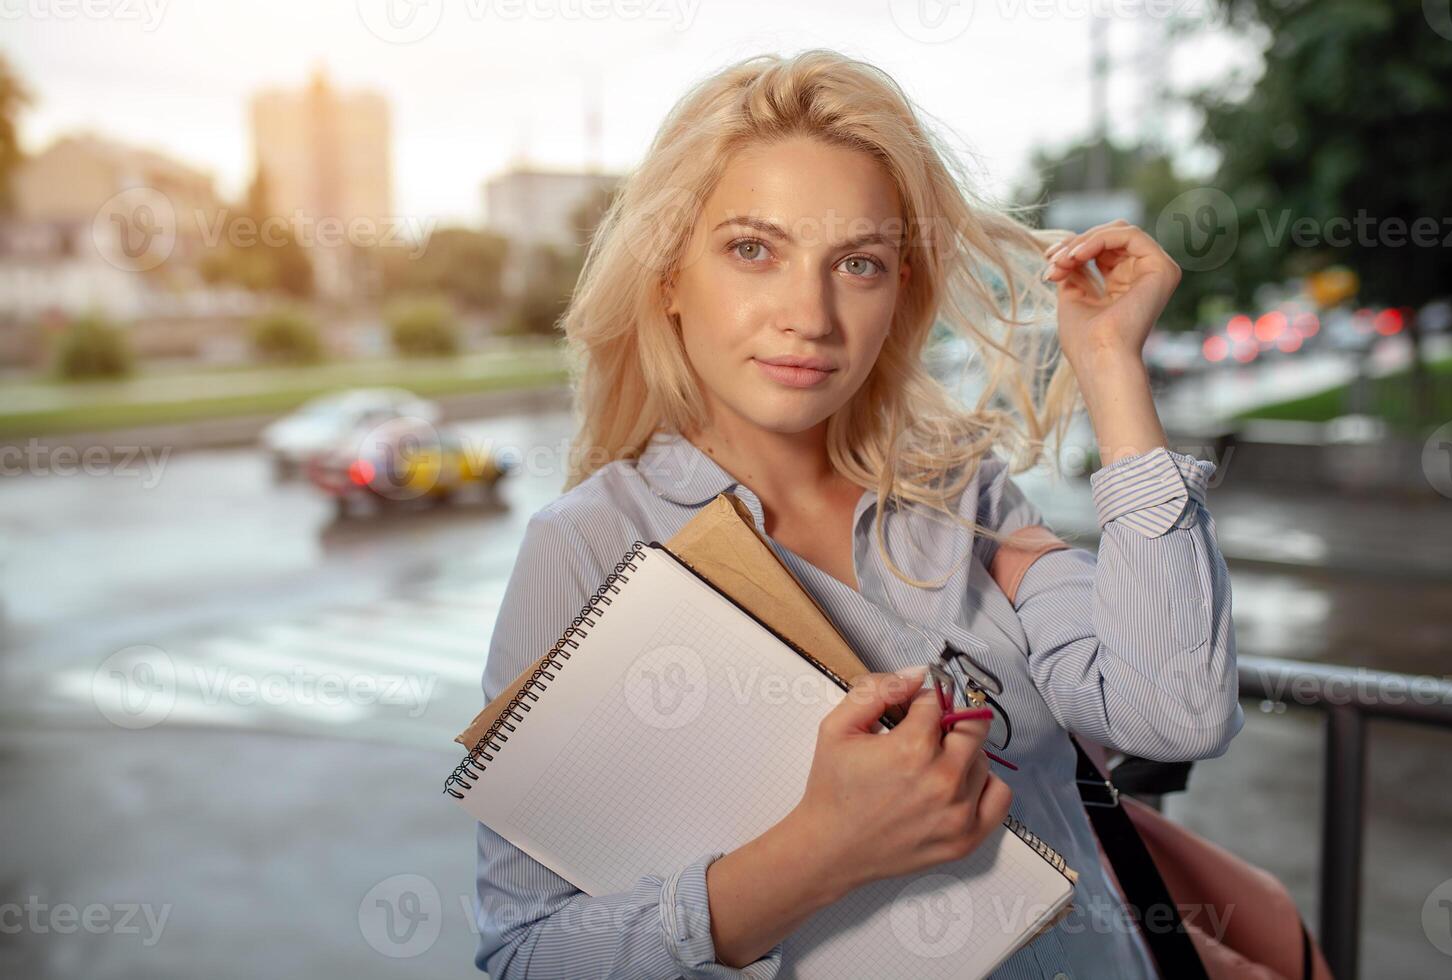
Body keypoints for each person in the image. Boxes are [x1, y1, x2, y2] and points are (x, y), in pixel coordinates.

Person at [472, 48, 1243, 979]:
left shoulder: (962, 492)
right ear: (669, 274)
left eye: (860, 263)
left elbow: (1177, 714)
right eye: (753, 249)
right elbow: (526, 953)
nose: (810, 315)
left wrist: (1112, 367)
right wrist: (817, 854)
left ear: (899, 294)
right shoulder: (587, 546)